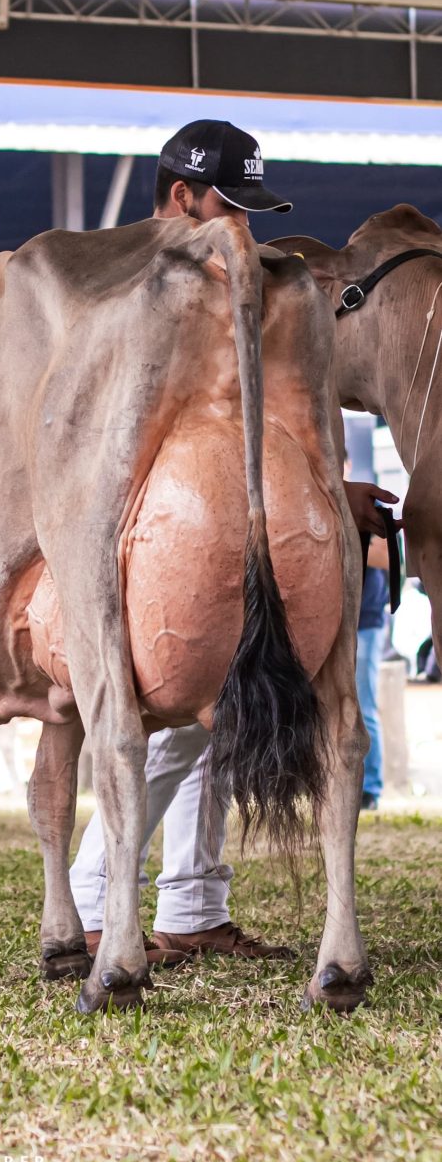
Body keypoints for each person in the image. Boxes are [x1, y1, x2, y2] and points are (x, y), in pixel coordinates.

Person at [69, 120, 397, 965]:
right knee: (165, 715)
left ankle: (191, 903)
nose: (244, 226)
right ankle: (94, 900)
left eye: (254, 208)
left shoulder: (231, 283)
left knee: (214, 717)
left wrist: (325, 489)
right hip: (153, 537)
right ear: (180, 198)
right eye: (230, 205)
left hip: (230, 519)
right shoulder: (127, 291)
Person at [356, 537, 391, 811]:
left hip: (366, 620)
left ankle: (370, 788)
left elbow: (385, 557)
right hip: (328, 617)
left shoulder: (371, 496)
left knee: (364, 707)